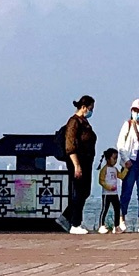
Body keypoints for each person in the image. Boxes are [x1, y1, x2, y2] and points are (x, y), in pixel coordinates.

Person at [58, 95, 98, 234]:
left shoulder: (84, 121)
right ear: (83, 107)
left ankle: (66, 218)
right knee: (78, 192)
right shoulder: (74, 122)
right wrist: (77, 165)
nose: (91, 111)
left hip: (87, 162)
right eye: (90, 108)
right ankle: (75, 223)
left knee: (85, 192)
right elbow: (70, 145)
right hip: (78, 162)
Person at [117, 101, 139, 231]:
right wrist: (125, 159)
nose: (137, 114)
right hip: (130, 163)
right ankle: (121, 219)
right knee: (126, 192)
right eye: (135, 111)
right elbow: (120, 144)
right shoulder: (127, 125)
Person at [96, 147, 125, 232]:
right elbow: (101, 181)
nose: (115, 161)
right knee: (105, 209)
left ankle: (116, 226)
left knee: (117, 209)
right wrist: (108, 187)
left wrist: (126, 169)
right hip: (106, 194)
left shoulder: (115, 169)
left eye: (116, 158)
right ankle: (101, 225)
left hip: (115, 193)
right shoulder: (104, 169)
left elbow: (121, 176)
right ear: (108, 159)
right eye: (114, 158)